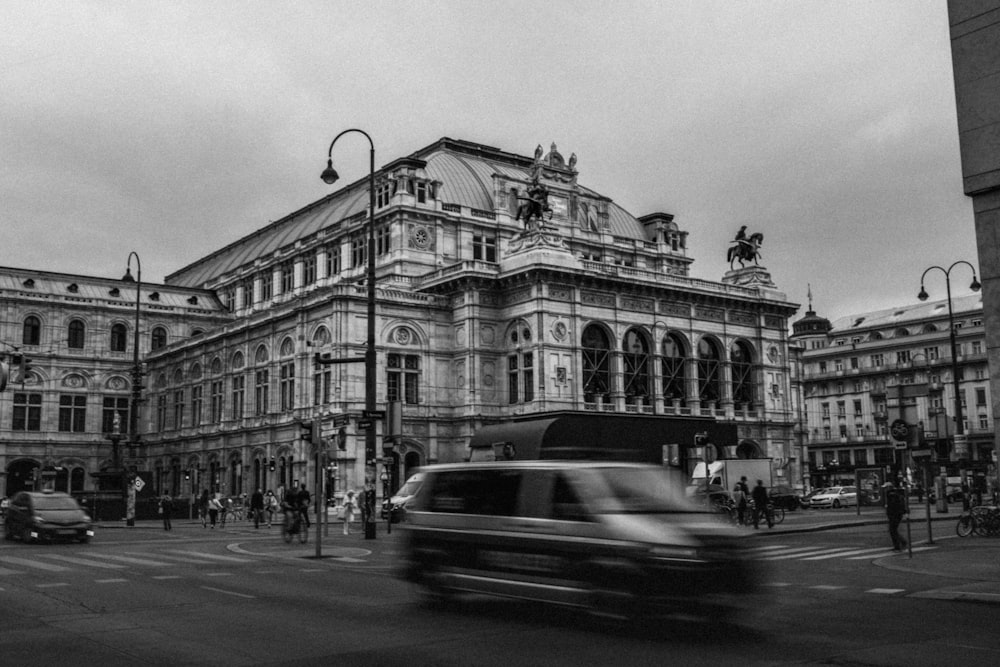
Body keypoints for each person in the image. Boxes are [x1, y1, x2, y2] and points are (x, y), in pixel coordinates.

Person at [884, 481, 907, 551]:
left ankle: (897, 546)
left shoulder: (891, 495)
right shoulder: (895, 494)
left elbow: (893, 506)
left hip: (894, 515)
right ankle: (902, 541)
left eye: (885, 488)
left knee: (892, 530)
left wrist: (890, 513)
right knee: (893, 530)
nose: (884, 489)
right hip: (897, 514)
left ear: (888, 488)